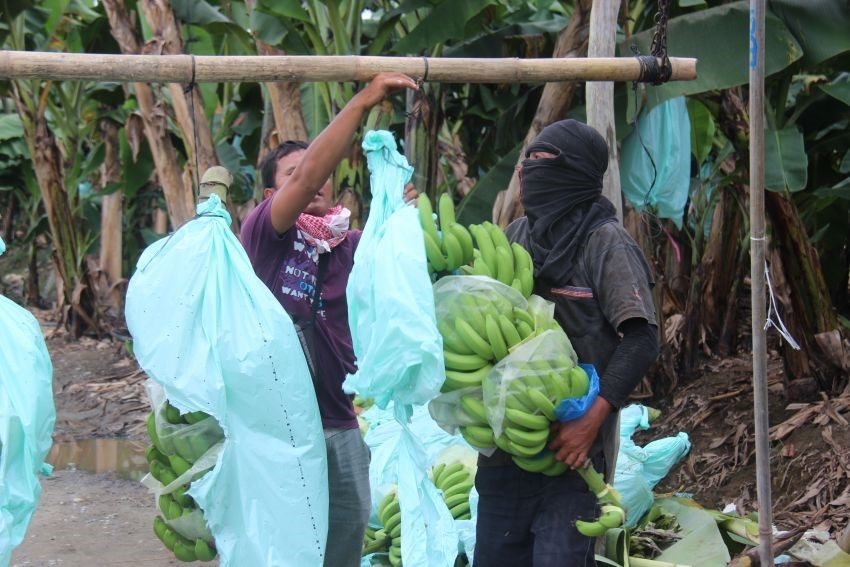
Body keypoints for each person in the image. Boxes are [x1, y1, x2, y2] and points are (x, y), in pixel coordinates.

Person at [239, 72, 418, 567]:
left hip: (340, 419)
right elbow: (308, 173)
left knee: (346, 530)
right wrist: (365, 101)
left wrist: (401, 220)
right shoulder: (266, 234)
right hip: (280, 424)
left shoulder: (354, 244)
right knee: (285, 540)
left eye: (315, 171)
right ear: (277, 190)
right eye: (296, 174)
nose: (312, 180)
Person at [474, 119, 660, 567]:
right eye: (526, 162)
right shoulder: (516, 236)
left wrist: (591, 421)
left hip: (574, 455)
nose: (526, 172)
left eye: (542, 162)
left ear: (575, 173)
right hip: (506, 450)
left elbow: (641, 339)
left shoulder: (605, 243)